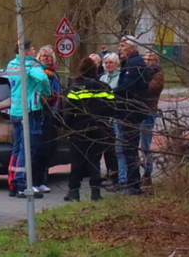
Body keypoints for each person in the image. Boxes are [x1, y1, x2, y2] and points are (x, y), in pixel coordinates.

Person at [62, 56, 115, 201]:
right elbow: (112, 107)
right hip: (99, 130)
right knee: (94, 161)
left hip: (78, 130)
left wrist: (66, 126)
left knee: (77, 162)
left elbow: (68, 111)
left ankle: (74, 192)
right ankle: (95, 193)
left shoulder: (75, 88)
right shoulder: (104, 87)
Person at [6, 40, 52, 198]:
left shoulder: (11, 64)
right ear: (26, 51)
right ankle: (23, 184)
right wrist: (46, 91)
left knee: (18, 147)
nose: (33, 51)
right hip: (29, 111)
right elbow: (43, 79)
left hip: (15, 111)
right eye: (32, 48)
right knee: (28, 148)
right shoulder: (30, 65)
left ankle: (13, 182)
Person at [113, 36, 149, 195]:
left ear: (132, 47)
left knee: (130, 149)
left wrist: (110, 94)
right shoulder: (130, 62)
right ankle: (131, 183)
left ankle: (134, 186)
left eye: (123, 46)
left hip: (131, 112)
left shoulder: (135, 64)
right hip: (127, 111)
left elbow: (126, 86)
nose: (120, 49)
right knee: (127, 149)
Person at [32, 45, 61, 193]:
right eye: (44, 56)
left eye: (49, 56)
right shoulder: (39, 73)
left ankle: (42, 180)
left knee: (48, 149)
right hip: (41, 114)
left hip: (52, 116)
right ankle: (34, 181)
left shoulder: (55, 74)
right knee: (38, 149)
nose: (46, 58)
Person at [140, 50, 165, 187]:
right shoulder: (143, 73)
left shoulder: (158, 74)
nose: (147, 63)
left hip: (149, 111)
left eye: (150, 60)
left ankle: (148, 173)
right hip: (138, 111)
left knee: (145, 144)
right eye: (145, 60)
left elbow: (150, 89)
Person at [99, 53, 121, 187]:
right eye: (106, 63)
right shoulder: (103, 77)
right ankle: (109, 172)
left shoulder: (119, 77)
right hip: (104, 116)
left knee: (115, 146)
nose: (108, 65)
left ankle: (117, 175)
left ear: (116, 64)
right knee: (106, 146)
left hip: (114, 114)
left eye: (110, 63)